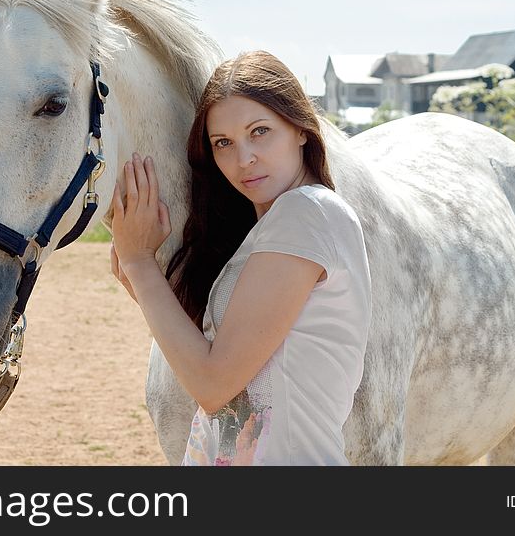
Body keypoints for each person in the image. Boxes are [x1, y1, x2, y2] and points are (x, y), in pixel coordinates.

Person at [109, 50, 372, 466]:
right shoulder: (271, 230)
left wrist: (141, 264)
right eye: (223, 143)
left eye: (260, 131)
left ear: (301, 129)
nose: (243, 158)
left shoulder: (306, 213)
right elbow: (221, 367)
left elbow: (213, 385)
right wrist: (141, 280)